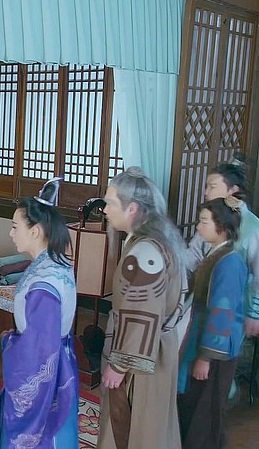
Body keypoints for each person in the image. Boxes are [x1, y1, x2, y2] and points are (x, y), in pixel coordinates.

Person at [98, 167, 188, 449]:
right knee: (154, 425)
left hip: (141, 358)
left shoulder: (144, 253)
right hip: (159, 348)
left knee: (134, 426)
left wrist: (119, 365)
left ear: (132, 208)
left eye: (110, 203)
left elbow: (141, 314)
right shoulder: (161, 242)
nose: (105, 210)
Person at [1, 177, 79, 449]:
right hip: (61, 361)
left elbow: (37, 350)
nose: (11, 233)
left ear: (34, 231)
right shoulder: (55, 263)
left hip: (48, 371)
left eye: (15, 227)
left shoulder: (43, 283)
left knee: (42, 437)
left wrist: (10, 342)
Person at [178, 197, 248, 449]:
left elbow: (222, 312)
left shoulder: (230, 261)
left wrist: (206, 357)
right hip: (200, 335)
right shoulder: (217, 254)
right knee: (195, 404)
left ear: (223, 227)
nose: (199, 227)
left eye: (204, 222)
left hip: (215, 348)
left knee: (205, 410)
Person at [185, 155, 259, 338]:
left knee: (221, 348)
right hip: (204, 302)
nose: (206, 192)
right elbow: (193, 255)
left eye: (212, 187)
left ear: (233, 190)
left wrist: (256, 315)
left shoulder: (254, 229)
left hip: (236, 308)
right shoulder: (212, 219)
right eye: (206, 187)